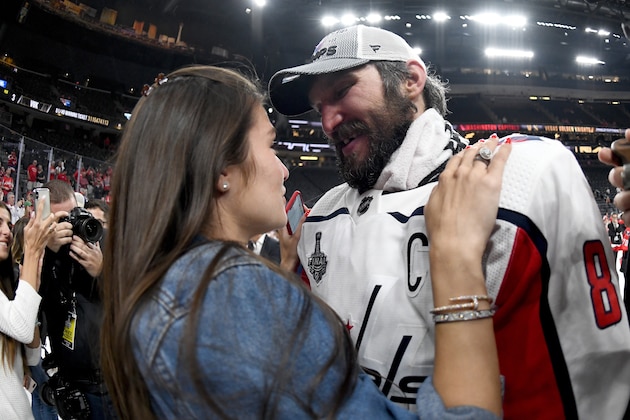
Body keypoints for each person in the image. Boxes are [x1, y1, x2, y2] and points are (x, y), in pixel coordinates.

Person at [99, 65, 511, 419]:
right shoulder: (229, 291)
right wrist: (456, 261)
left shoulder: (172, 279)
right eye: (271, 145)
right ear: (221, 167)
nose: (283, 169)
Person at [268, 24, 630, 419]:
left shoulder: (517, 182)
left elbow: (576, 395)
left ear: (410, 80)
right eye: (319, 108)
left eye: (341, 92)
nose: (329, 122)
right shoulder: (319, 217)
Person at [38, 179, 114, 419]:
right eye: (61, 221)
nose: (71, 224)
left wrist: (103, 272)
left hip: (109, 382)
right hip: (71, 384)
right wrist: (48, 251)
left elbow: (134, 300)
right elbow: (37, 304)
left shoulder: (102, 238)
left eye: (74, 214)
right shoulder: (41, 251)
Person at [0, 199, 58, 419]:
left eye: (8, 224)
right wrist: (32, 252)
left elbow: (32, 355)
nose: (6, 231)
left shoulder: (5, 287)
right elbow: (22, 328)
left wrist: (33, 281)